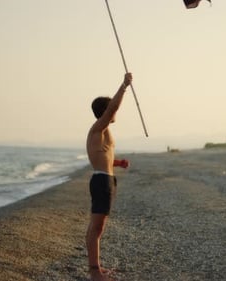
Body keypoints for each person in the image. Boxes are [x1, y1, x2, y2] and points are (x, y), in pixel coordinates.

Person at [86, 72, 132, 281]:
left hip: (107, 179)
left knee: (99, 227)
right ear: (105, 111)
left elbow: (103, 156)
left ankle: (97, 269)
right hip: (101, 181)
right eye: (111, 107)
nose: (115, 111)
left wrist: (118, 162)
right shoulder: (98, 128)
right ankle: (95, 272)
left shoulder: (104, 133)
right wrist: (124, 86)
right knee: (96, 227)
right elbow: (113, 107)